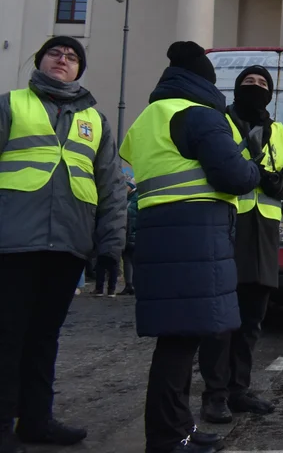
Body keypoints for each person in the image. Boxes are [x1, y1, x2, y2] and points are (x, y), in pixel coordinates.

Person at [120, 42, 262, 453]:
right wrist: (251, 161)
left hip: (162, 232)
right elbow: (234, 175)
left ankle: (179, 426)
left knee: (179, 338)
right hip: (194, 234)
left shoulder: (151, 115)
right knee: (180, 344)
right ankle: (168, 437)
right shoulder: (199, 114)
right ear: (205, 81)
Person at [0, 37, 127, 453]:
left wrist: (110, 245)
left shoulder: (95, 120)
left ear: (79, 70)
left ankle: (36, 420)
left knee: (44, 336)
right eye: (56, 53)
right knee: (8, 334)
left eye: (72, 57)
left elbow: (110, 187)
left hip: (68, 244)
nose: (63, 60)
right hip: (13, 240)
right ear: (39, 61)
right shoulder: (12, 104)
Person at [197, 65, 283, 425]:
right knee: (220, 320)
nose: (255, 87)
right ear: (236, 88)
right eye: (248, 82)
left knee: (251, 320)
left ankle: (239, 389)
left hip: (263, 234)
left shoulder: (279, 132)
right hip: (227, 226)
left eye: (261, 84)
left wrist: (273, 183)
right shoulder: (219, 122)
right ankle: (214, 394)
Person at [118, 174, 139, 295]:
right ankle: (129, 285)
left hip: (134, 234)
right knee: (126, 259)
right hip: (126, 235)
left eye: (126, 187)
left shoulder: (135, 199)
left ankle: (136, 284)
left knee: (134, 260)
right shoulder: (127, 200)